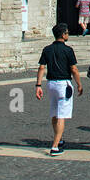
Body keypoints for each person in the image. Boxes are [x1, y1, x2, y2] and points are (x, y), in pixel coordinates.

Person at [35, 23, 81, 155]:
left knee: (54, 113)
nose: (68, 34)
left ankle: (59, 139)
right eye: (67, 33)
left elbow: (42, 67)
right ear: (63, 35)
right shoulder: (68, 50)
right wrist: (79, 84)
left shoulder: (47, 49)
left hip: (51, 84)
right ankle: (55, 146)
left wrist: (38, 85)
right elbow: (74, 69)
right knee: (61, 115)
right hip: (63, 84)